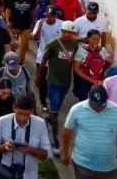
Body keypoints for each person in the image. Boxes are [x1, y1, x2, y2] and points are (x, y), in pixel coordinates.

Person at [62, 86, 117, 179]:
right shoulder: (76, 109)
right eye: (95, 105)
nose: (98, 109)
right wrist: (65, 152)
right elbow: (67, 131)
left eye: (102, 105)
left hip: (109, 168)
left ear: (107, 98)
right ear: (88, 96)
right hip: (82, 165)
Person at [38, 19, 78, 155]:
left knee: (57, 108)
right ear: (61, 31)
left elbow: (72, 61)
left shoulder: (74, 44)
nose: (67, 34)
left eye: (70, 32)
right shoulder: (53, 44)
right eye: (65, 32)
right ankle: (55, 140)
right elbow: (43, 62)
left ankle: (49, 117)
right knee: (55, 112)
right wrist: (39, 79)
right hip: (53, 81)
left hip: (66, 82)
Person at [0, 95, 50, 179]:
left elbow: (45, 155)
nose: (22, 118)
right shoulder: (2, 121)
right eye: (19, 113)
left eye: (26, 114)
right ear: (13, 108)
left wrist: (30, 150)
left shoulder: (40, 124)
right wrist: (5, 147)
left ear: (32, 111)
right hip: (6, 173)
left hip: (29, 175)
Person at [32, 6, 63, 113]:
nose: (49, 18)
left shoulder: (61, 24)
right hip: (42, 56)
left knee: (54, 81)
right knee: (42, 81)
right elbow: (36, 38)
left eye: (52, 16)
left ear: (56, 16)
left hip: (56, 58)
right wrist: (40, 26)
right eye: (47, 16)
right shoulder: (41, 22)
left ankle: (53, 99)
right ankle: (42, 102)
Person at [73, 29, 111, 101]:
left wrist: (102, 79)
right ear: (87, 38)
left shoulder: (102, 50)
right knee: (84, 101)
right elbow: (76, 69)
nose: (95, 41)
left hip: (97, 81)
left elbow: (105, 66)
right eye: (93, 39)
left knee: (96, 100)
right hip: (83, 81)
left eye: (97, 39)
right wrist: (91, 80)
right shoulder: (81, 51)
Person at [6, 0, 36, 65]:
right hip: (14, 24)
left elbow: (33, 11)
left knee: (24, 45)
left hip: (26, 25)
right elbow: (8, 10)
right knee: (13, 44)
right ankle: (11, 59)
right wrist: (7, 21)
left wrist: (33, 23)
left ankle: (20, 62)